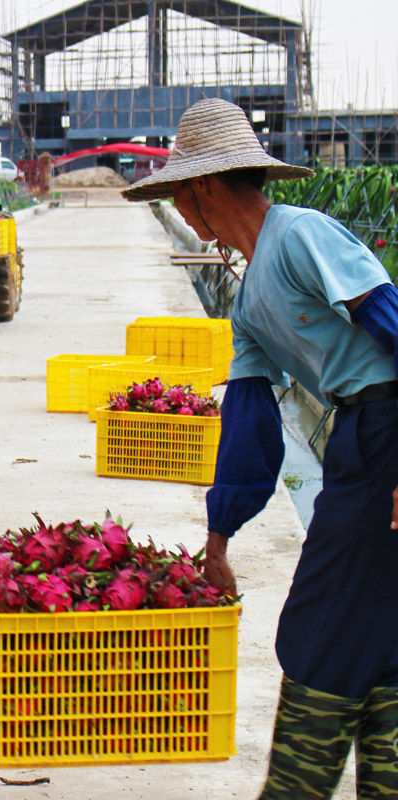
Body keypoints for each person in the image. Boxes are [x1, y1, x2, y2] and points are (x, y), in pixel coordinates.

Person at [123, 98, 398, 799]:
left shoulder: (302, 237)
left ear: (208, 186)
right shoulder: (247, 302)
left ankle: (292, 790)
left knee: (322, 623)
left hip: (389, 428)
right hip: (357, 442)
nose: (182, 211)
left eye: (180, 194)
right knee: (376, 624)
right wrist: (219, 539)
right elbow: (250, 424)